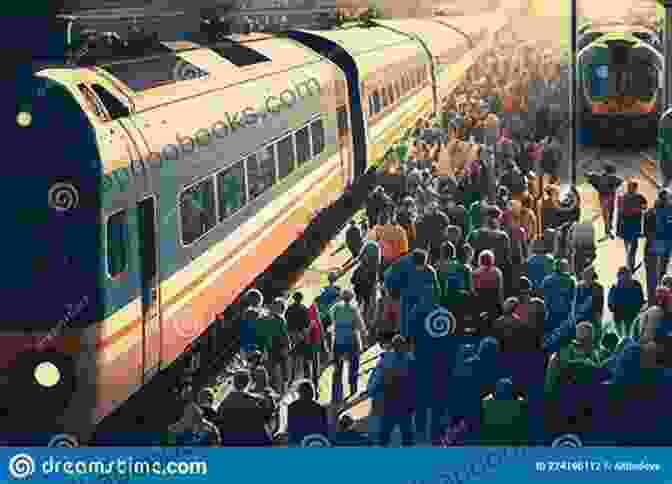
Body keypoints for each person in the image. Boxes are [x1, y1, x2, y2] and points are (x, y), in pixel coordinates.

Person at [366, 335, 416, 446]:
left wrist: (371, 391)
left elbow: (376, 379)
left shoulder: (386, 360)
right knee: (406, 434)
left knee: (386, 434)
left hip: (390, 402)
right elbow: (416, 383)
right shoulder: (410, 360)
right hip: (403, 403)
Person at [329, 288, 368, 403]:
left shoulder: (335, 308)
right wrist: (365, 335)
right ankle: (353, 390)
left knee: (337, 368)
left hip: (338, 341)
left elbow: (332, 321)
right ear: (351, 298)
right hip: (352, 340)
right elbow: (361, 326)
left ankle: (336, 394)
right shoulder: (353, 309)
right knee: (353, 366)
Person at [217, 370, 273, 446]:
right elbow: (264, 425)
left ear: (234, 383)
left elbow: (220, 428)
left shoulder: (224, 404)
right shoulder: (254, 404)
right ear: (248, 383)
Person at [586, 164, 623, 241]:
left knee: (606, 214)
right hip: (610, 197)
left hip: (603, 197)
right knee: (609, 214)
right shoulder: (612, 178)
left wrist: (591, 175)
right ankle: (608, 230)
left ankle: (608, 230)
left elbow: (589, 178)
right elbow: (620, 181)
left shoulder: (599, 177)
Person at [616, 180, 647, 271]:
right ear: (635, 188)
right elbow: (645, 208)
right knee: (633, 248)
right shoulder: (640, 197)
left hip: (624, 226)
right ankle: (631, 266)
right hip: (634, 227)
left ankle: (629, 264)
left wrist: (618, 229)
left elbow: (619, 214)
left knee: (628, 247)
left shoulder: (622, 197)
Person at [287, 380, 329, 446]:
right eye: (307, 391)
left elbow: (291, 429)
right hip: (314, 441)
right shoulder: (319, 408)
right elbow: (324, 430)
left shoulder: (292, 407)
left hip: (302, 441)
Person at [540, 259, 576, 335]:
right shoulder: (571, 280)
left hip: (550, 312)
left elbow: (542, 294)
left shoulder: (547, 280)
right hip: (565, 312)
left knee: (550, 335)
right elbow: (572, 298)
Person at [607, 266, 645, 340]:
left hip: (632, 315)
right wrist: (613, 309)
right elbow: (610, 302)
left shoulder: (636, 285)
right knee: (621, 336)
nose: (624, 276)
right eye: (622, 274)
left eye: (626, 274)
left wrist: (638, 308)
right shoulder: (615, 286)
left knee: (631, 335)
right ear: (619, 275)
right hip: (619, 316)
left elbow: (640, 299)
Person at [286, 292, 312, 381]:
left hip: (291, 334)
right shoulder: (304, 309)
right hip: (301, 334)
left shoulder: (289, 308)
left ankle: (292, 377)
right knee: (300, 358)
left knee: (292, 357)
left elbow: (286, 321)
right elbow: (307, 324)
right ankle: (299, 378)